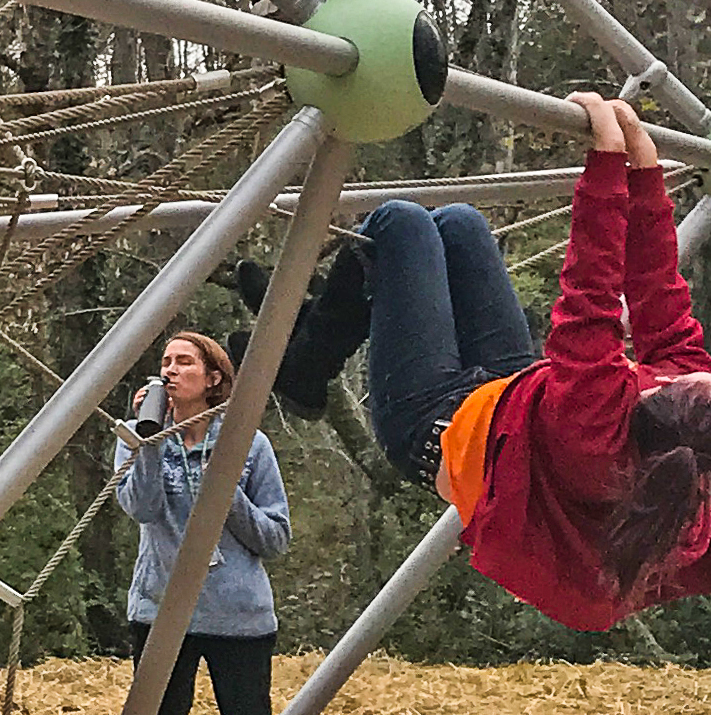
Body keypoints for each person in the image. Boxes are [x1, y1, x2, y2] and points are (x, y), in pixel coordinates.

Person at [279, 95, 711, 632]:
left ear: (650, 399)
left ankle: (306, 360)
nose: (695, 370)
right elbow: (660, 300)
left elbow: (592, 295)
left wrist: (605, 163)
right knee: (460, 224)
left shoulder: (597, 426)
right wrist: (644, 173)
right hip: (514, 406)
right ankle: (311, 344)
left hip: (433, 423)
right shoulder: (688, 433)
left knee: (398, 222)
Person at [112, 325, 289, 715]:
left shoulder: (249, 445)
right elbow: (140, 508)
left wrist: (226, 493)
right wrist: (148, 441)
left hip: (239, 619)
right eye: (165, 361)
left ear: (213, 379)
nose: (170, 370)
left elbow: (276, 536)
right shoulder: (137, 434)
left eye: (184, 362)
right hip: (161, 612)